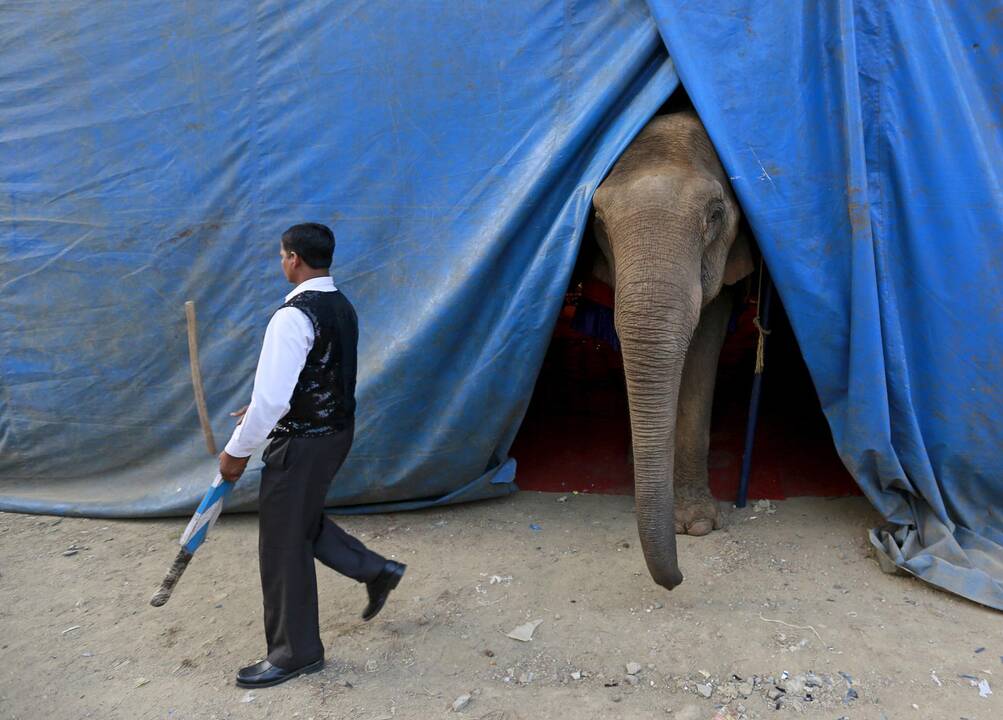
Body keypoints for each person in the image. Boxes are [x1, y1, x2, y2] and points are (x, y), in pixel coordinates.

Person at [218, 222, 406, 689]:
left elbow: (272, 402)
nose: (282, 262)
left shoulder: (292, 316)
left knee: (282, 544)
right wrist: (265, 406)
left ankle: (294, 653)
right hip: (334, 434)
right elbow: (319, 376)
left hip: (302, 443)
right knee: (297, 521)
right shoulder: (341, 306)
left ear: (294, 259)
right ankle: (375, 570)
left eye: (282, 255)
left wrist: (236, 452)